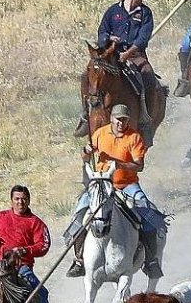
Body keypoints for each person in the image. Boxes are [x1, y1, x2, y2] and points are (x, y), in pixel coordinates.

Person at [64, 104, 166, 278]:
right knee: (79, 212)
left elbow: (139, 165)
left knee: (147, 211)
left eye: (124, 120)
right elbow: (85, 157)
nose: (120, 123)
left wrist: (119, 164)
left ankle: (150, 260)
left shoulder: (134, 137)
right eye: (118, 119)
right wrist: (86, 151)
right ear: (111, 118)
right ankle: (79, 259)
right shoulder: (99, 134)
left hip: (127, 184)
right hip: (101, 184)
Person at [96, 0, 158, 137]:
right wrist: (108, 38)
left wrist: (128, 53)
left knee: (149, 78)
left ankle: (146, 120)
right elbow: (102, 32)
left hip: (135, 55)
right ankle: (86, 116)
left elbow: (143, 38)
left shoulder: (145, 13)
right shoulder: (112, 11)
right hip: (111, 54)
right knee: (89, 75)